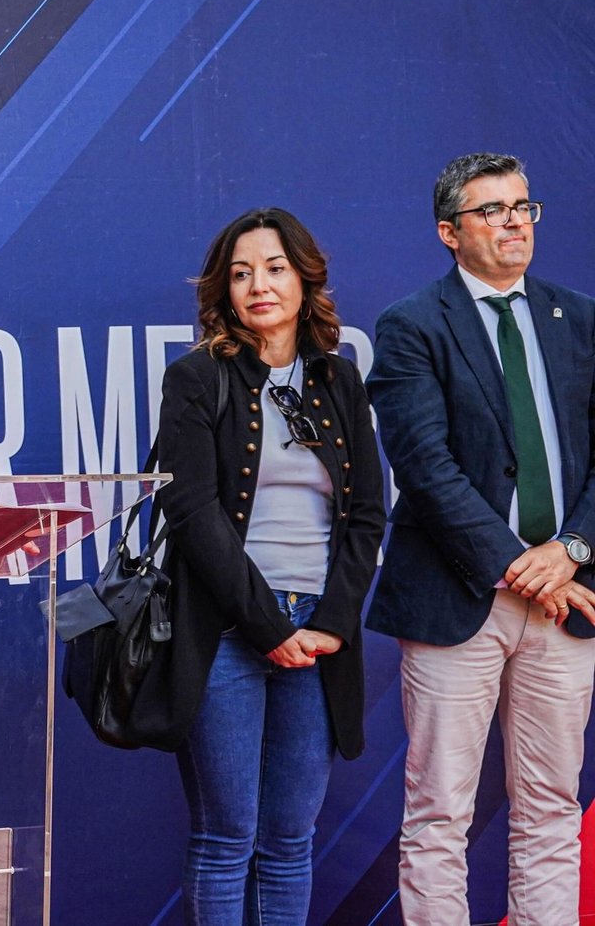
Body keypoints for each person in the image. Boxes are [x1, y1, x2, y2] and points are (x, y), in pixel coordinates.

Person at [365, 152, 595, 926]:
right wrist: (521, 567)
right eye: (492, 211)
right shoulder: (411, 326)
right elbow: (425, 469)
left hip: (566, 600)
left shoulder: (580, 317)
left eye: (523, 207)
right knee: (440, 815)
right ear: (448, 232)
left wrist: (573, 552)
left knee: (552, 805)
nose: (513, 224)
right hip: (457, 598)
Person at [143, 207, 385, 925]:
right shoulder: (195, 378)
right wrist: (265, 623)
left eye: (275, 268)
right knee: (227, 838)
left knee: (289, 840)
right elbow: (191, 514)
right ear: (224, 290)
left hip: (319, 638)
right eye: (241, 272)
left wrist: (332, 623)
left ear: (307, 281)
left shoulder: (340, 381)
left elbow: (368, 515)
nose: (259, 285)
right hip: (227, 631)